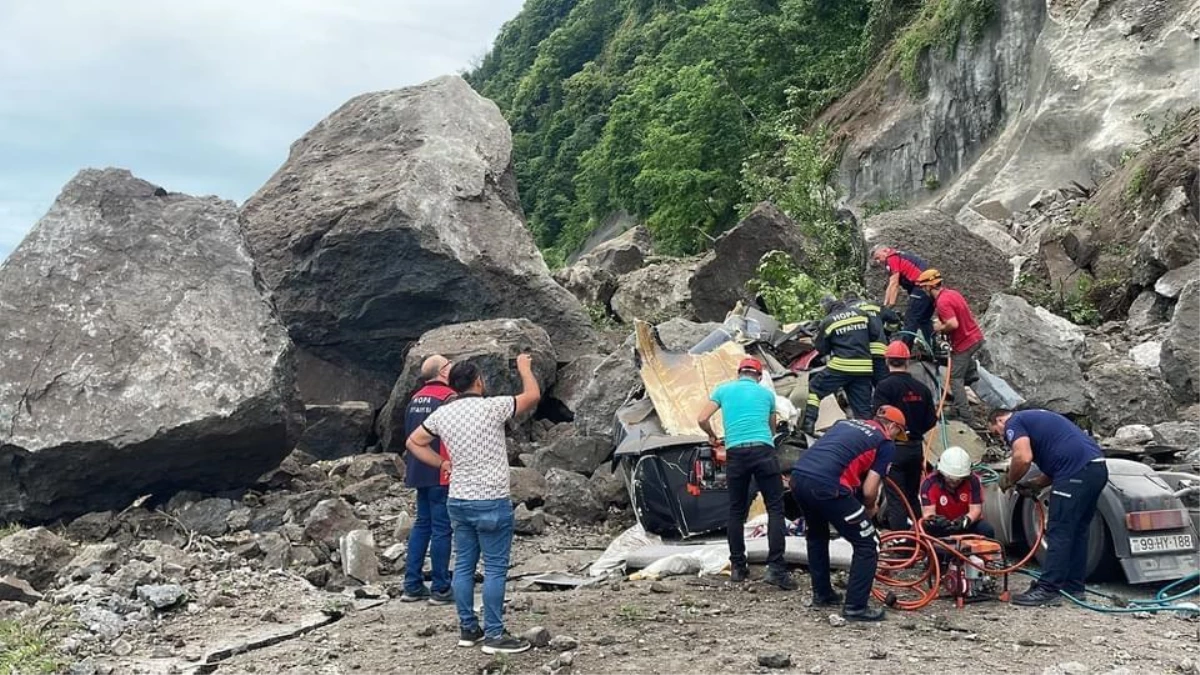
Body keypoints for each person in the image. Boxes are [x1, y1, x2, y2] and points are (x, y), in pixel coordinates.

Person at [406, 355, 541, 654]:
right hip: (491, 498)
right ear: (478, 381)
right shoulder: (493, 407)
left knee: (464, 566)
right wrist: (524, 369)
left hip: (459, 498)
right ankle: (494, 634)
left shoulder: (443, 414)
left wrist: (442, 463)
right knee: (494, 567)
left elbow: (414, 442)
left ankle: (468, 628)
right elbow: (532, 396)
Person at [790, 406, 906, 621]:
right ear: (892, 426)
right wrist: (869, 508)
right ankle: (855, 607)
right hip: (828, 484)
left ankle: (822, 594)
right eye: (898, 433)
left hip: (799, 477)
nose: (897, 439)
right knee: (868, 543)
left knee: (817, 535)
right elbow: (870, 489)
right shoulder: (885, 442)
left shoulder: (845, 423)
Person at [988, 408, 1108, 607]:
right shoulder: (1040, 421)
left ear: (999, 420)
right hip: (1096, 467)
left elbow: (1023, 457)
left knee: (1058, 530)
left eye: (995, 431)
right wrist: (1035, 484)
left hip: (1076, 471)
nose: (1001, 437)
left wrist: (1009, 479)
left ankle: (1048, 589)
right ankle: (1074, 587)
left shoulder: (1014, 422)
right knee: (1077, 531)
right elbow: (1058, 464)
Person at [697, 357, 797, 590]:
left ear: (738, 373)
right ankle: (776, 569)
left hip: (735, 454)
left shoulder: (723, 389)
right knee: (775, 508)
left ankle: (738, 567)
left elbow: (702, 418)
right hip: (763, 451)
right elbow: (771, 429)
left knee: (736, 510)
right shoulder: (766, 395)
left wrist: (712, 436)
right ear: (759, 376)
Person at [400, 355, 456, 605]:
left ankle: (411, 585)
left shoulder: (415, 399)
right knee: (442, 529)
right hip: (440, 470)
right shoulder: (448, 398)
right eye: (449, 365)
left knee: (422, 525)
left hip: (418, 470)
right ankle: (441, 587)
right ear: (443, 371)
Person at [871, 341, 938, 530]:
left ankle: (902, 544)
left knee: (896, 500)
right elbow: (931, 420)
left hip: (894, 451)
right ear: (907, 361)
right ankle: (921, 537)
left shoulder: (884, 387)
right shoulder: (921, 388)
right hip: (915, 449)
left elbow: (878, 417)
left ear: (887, 361)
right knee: (912, 497)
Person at [800, 296, 878, 435]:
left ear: (826, 308)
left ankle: (808, 426)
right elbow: (875, 334)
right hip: (864, 367)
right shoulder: (861, 314)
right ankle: (871, 439)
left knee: (815, 388)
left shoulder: (828, 321)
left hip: (841, 366)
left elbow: (822, 349)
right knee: (863, 409)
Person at [917, 269, 985, 423]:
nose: (923, 290)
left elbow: (953, 324)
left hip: (964, 343)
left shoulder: (942, 302)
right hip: (975, 337)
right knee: (961, 371)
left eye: (923, 287)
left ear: (929, 286)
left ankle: (965, 416)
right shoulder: (953, 294)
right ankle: (970, 373)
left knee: (954, 378)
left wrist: (939, 328)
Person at [919, 446, 995, 538]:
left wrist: (965, 520)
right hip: (941, 527)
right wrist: (936, 521)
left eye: (959, 479)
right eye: (951, 479)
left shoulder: (973, 481)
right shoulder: (929, 484)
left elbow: (976, 510)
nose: (954, 482)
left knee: (986, 530)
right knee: (923, 531)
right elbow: (928, 514)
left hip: (966, 524)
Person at [871, 245, 934, 348]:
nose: (878, 262)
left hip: (921, 286)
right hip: (930, 288)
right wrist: (884, 305)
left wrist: (889, 305)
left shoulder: (891, 258)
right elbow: (890, 285)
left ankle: (904, 350)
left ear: (885, 251)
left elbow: (894, 284)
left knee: (910, 319)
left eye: (878, 258)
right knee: (924, 319)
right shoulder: (898, 256)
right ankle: (932, 347)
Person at [844, 292, 888, 383]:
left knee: (863, 388)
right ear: (859, 298)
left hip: (858, 355)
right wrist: (887, 332)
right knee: (883, 384)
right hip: (879, 352)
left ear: (844, 301)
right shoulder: (873, 304)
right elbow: (894, 319)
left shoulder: (845, 312)